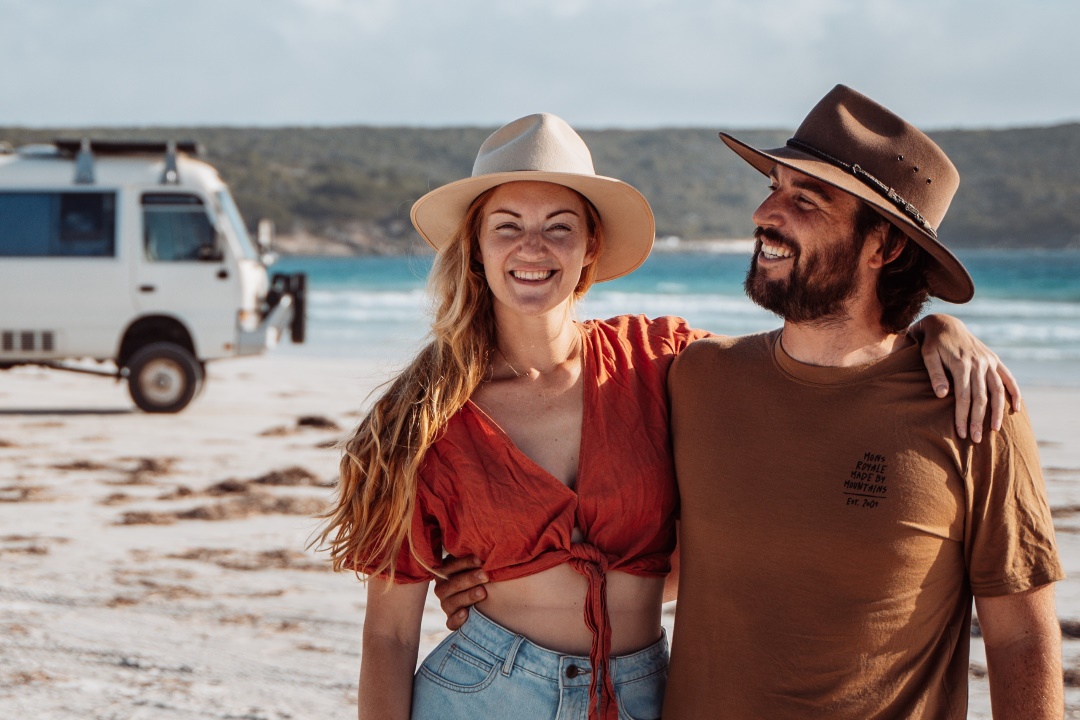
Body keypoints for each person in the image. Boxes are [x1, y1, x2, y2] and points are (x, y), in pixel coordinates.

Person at [318, 112, 1019, 720]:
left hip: (647, 694)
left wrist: (934, 332)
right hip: (482, 691)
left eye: (558, 228)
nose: (533, 248)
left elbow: (815, 353)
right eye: (507, 227)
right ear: (475, 247)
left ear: (591, 248)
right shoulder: (416, 418)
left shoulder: (659, 361)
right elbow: (387, 636)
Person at [661, 85, 1064, 718]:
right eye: (773, 185)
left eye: (805, 199)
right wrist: (495, 592)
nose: (764, 213)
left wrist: (941, 330)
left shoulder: (972, 410)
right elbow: (650, 564)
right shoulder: (697, 376)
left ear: (886, 247)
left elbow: (1020, 637)